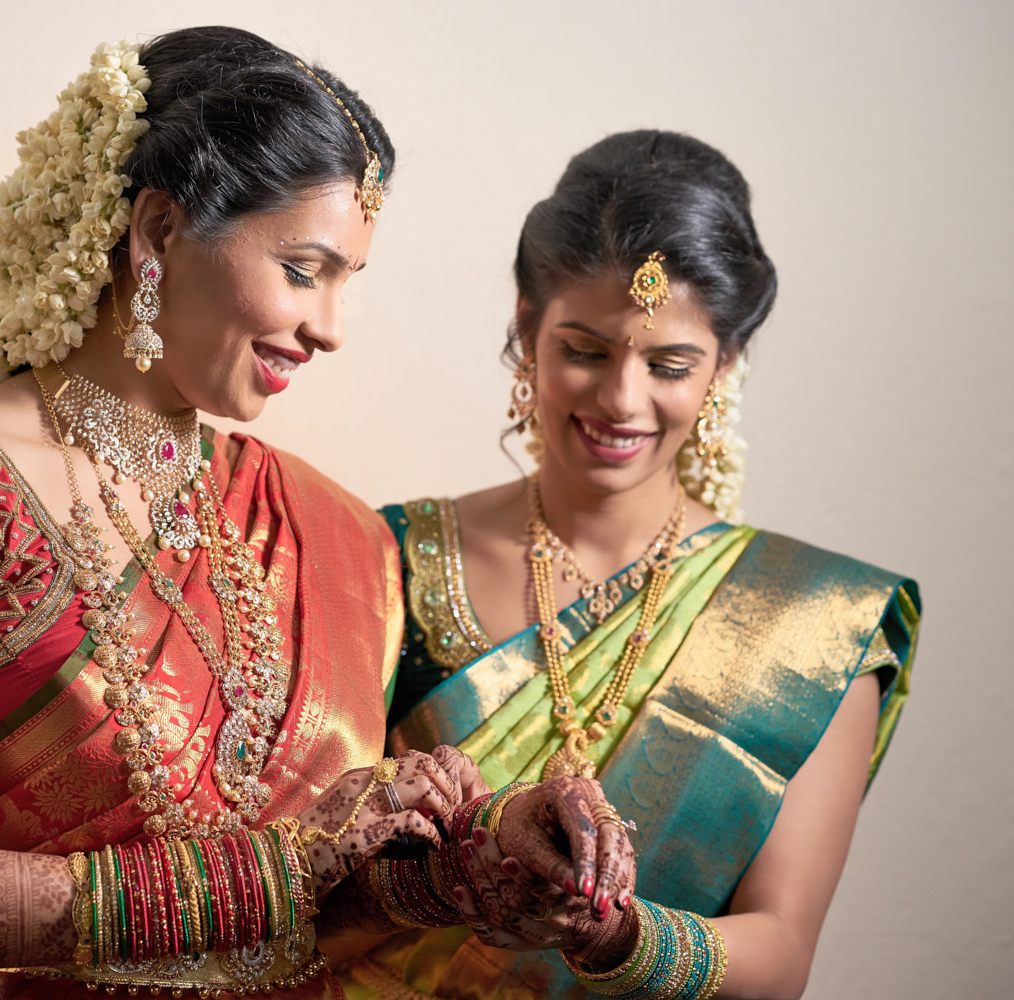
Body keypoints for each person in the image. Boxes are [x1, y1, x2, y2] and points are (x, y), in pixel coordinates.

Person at [0, 28, 624, 1000]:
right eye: (305, 269)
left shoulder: (336, 534)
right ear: (158, 231)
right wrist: (271, 868)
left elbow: (324, 906)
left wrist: (474, 860)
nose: (331, 328)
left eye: (350, 281)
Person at [348, 131, 922, 1000]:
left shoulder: (813, 622)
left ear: (723, 364)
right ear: (525, 326)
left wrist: (614, 933)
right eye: (584, 350)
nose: (621, 399)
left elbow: (780, 951)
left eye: (669, 364)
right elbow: (314, 870)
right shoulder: (386, 559)